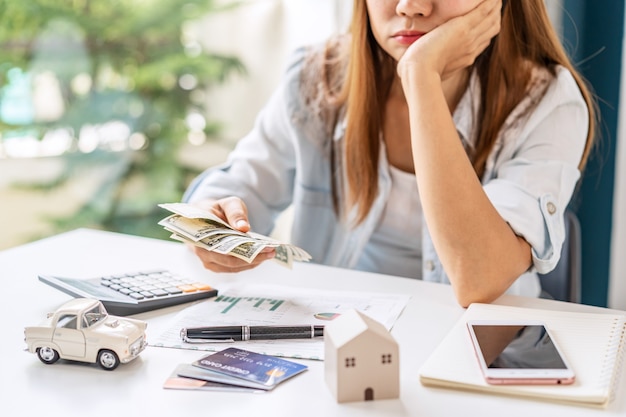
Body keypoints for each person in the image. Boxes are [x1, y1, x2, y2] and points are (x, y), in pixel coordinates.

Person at [182, 0, 596, 307]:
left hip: (472, 351)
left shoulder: (546, 102)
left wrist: (421, 76)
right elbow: (233, 188)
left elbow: (479, 279)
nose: (410, 6)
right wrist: (209, 223)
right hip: (337, 337)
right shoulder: (318, 78)